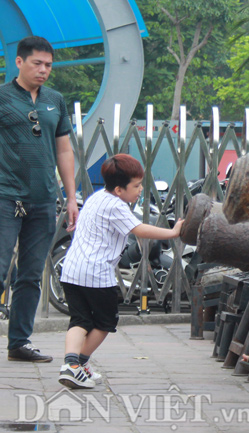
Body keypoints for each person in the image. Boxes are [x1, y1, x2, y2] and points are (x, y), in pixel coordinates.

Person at [57, 154, 184, 389]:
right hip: (95, 273)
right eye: (136, 186)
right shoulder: (116, 205)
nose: (139, 191)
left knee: (80, 320)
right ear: (118, 189)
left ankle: (71, 364)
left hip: (72, 271)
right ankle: (79, 364)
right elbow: (139, 230)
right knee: (106, 322)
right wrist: (173, 233)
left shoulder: (97, 198)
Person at [0, 36, 79, 363]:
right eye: (37, 63)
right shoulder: (3, 97)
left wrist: (71, 197)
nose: (44, 70)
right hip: (5, 196)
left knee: (31, 274)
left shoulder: (55, 100)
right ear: (19, 62)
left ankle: (19, 342)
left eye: (48, 65)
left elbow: (63, 149)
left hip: (44, 198)